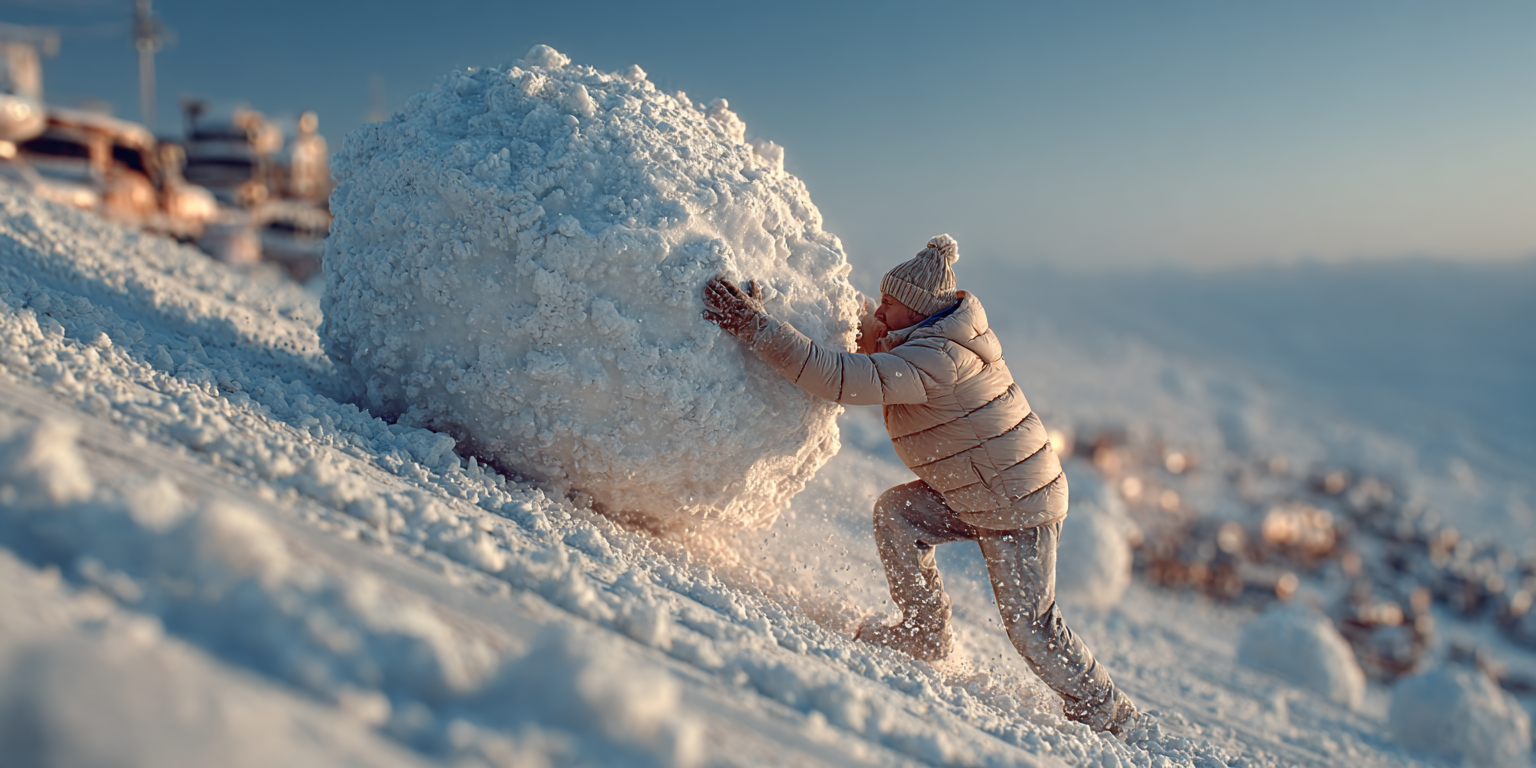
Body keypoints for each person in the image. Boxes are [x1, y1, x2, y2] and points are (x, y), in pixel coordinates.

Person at [702, 234, 1139, 737]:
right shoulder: (923, 335)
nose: (881, 314)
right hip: (981, 491)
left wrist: (755, 327)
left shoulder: (936, 360)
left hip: (1019, 502)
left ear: (917, 311)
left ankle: (1109, 714)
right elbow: (865, 324)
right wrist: (792, 298)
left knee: (1031, 626)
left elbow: (838, 377)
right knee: (899, 515)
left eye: (891, 305)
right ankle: (923, 634)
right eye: (884, 302)